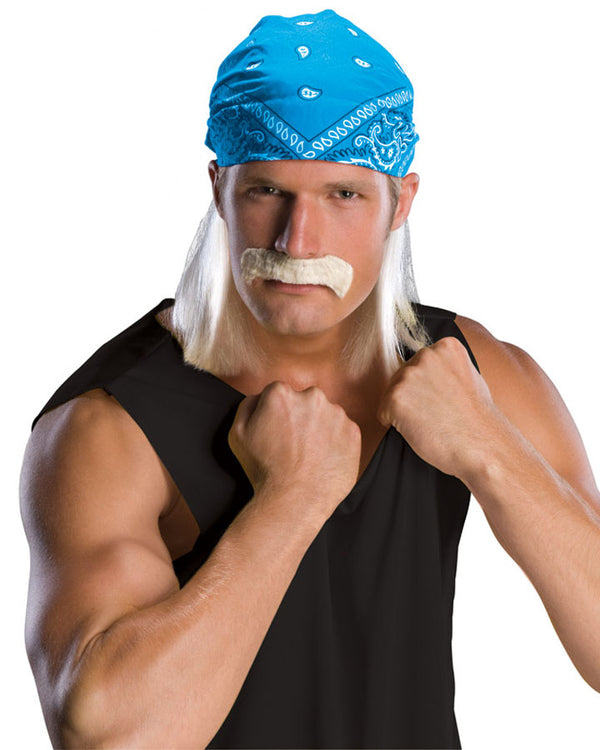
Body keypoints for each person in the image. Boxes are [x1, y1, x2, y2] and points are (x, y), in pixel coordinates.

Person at [20, 9, 600, 750]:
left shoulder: (475, 376)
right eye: (267, 191)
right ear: (218, 189)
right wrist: (290, 501)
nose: (298, 241)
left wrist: (489, 448)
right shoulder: (109, 423)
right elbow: (112, 739)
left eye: (343, 195)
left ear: (401, 203)